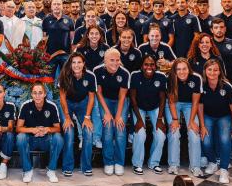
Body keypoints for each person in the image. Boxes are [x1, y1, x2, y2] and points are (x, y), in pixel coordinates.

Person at [198, 58, 232, 184]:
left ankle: (224, 169)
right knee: (205, 141)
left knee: (225, 140)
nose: (212, 72)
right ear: (205, 71)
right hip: (208, 116)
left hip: (224, 116)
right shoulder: (202, 85)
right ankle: (212, 162)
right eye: (209, 69)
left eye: (215, 70)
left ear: (220, 71)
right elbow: (200, 106)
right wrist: (202, 125)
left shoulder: (227, 86)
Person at [16, 82, 63, 183]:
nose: (37, 96)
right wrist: (32, 129)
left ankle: (51, 170)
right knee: (20, 137)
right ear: (31, 94)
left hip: (46, 140)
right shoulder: (26, 105)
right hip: (31, 140)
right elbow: (18, 128)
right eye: (35, 93)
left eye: (40, 93)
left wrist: (47, 129)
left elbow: (58, 128)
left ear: (45, 94)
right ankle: (27, 170)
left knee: (58, 138)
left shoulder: (52, 106)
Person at [93, 48, 130, 176]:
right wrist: (108, 113)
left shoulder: (125, 73)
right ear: (105, 60)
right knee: (108, 128)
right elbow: (99, 93)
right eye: (112, 60)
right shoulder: (97, 71)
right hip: (105, 100)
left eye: (117, 60)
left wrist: (118, 115)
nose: (115, 63)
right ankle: (108, 162)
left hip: (120, 101)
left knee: (120, 129)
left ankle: (119, 162)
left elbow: (122, 97)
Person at [58, 53, 96, 177]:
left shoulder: (90, 76)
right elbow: (62, 98)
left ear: (84, 63)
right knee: (68, 131)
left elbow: (91, 98)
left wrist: (87, 117)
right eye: (74, 62)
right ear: (70, 64)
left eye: (79, 62)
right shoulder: (64, 75)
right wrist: (67, 117)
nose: (76, 65)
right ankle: (67, 166)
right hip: (67, 103)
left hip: (83, 103)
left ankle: (86, 166)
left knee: (88, 131)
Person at [129, 55, 167, 175]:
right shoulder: (135, 75)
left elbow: (162, 99)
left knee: (161, 135)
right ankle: (137, 164)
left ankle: (154, 163)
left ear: (155, 66)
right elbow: (133, 98)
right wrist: (139, 120)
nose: (149, 67)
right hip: (139, 107)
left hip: (155, 107)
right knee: (140, 134)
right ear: (142, 66)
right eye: (146, 64)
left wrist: (160, 119)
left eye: (152, 65)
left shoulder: (161, 76)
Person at [165, 58, 203, 177]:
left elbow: (196, 102)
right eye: (178, 69)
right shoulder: (170, 78)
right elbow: (171, 101)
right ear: (175, 71)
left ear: (189, 69)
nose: (182, 72)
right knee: (174, 131)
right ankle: (173, 164)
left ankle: (195, 166)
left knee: (194, 132)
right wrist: (175, 120)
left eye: (184, 69)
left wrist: (191, 121)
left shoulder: (196, 78)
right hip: (174, 103)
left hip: (190, 105)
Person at [42, 0, 75, 78]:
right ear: (51, 7)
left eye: (58, 4)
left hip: (65, 54)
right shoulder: (46, 20)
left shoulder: (69, 20)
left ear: (62, 6)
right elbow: (44, 38)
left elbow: (72, 39)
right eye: (54, 4)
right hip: (50, 55)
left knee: (66, 77)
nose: (56, 6)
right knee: (49, 78)